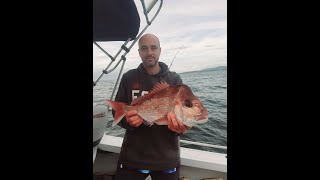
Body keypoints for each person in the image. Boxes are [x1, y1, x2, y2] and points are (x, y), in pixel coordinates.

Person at [112, 33, 191, 180]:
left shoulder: (174, 80)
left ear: (160, 50)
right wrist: (128, 122)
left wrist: (179, 129)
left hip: (166, 159)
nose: (149, 52)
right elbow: (116, 111)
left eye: (153, 48)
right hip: (132, 157)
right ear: (139, 52)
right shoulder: (129, 77)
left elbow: (180, 121)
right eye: (144, 48)